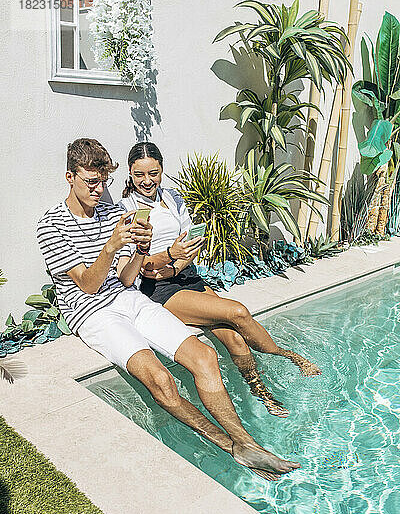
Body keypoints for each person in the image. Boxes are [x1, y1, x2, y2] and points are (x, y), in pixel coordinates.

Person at [37, 138, 300, 481]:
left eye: (104, 181)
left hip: (128, 298)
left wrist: (138, 251)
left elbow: (127, 279)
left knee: (205, 357)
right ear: (70, 177)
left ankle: (247, 443)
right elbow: (87, 284)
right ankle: (227, 444)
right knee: (159, 378)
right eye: (91, 182)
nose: (100, 190)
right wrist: (113, 244)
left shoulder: (115, 213)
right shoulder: (50, 225)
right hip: (92, 313)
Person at [119, 142, 321, 418]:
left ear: (162, 169)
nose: (146, 181)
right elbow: (141, 263)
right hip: (159, 290)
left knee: (236, 341)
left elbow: (193, 243)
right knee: (237, 311)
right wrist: (169, 257)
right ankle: (287, 355)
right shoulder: (129, 209)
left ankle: (262, 393)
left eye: (153, 173)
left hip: (184, 275)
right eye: (139, 174)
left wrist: (176, 265)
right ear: (130, 173)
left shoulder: (173, 197)